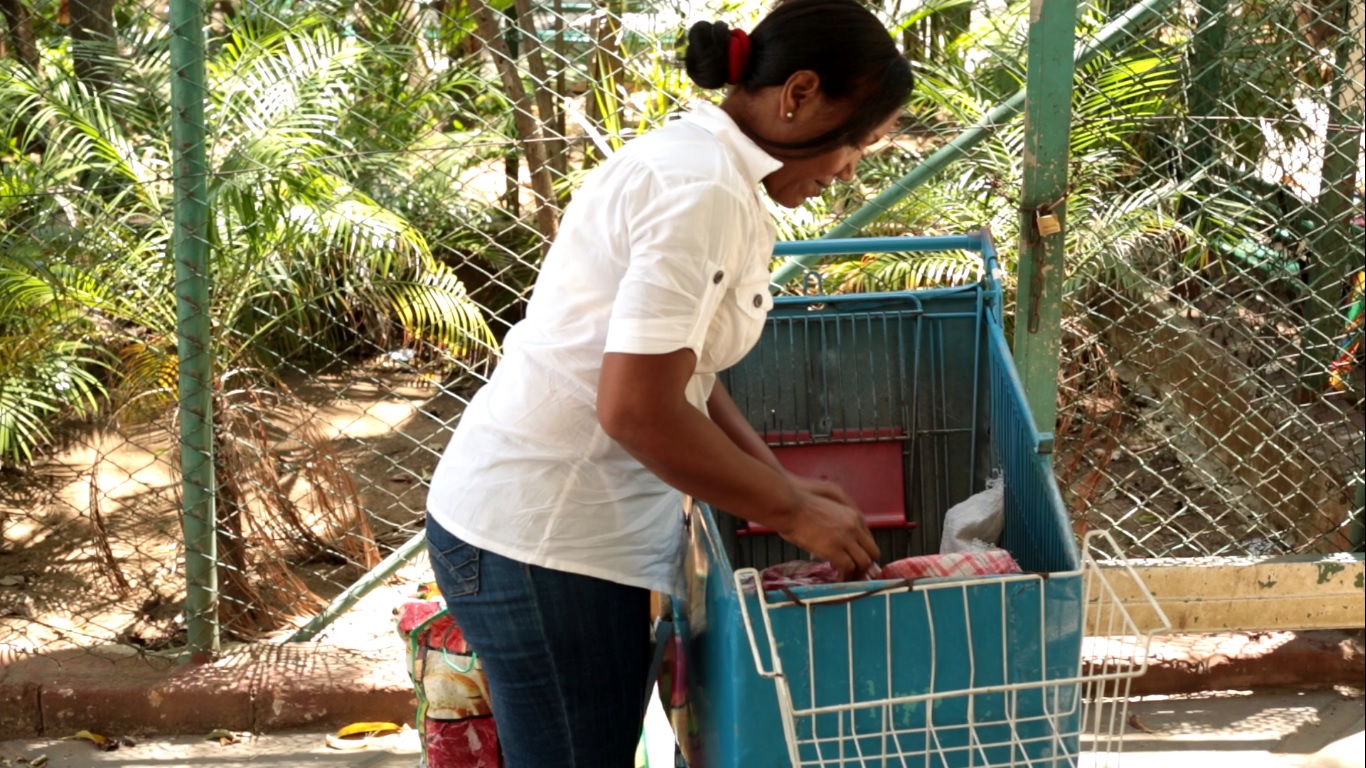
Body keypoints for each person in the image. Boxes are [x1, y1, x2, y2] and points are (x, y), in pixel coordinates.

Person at [424, 1, 914, 765]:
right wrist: (785, 508)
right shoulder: (703, 189)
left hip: (554, 536)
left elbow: (686, 372)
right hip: (544, 543)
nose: (849, 167)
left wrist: (778, 482)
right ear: (799, 94)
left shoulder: (706, 168)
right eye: (858, 141)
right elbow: (637, 409)